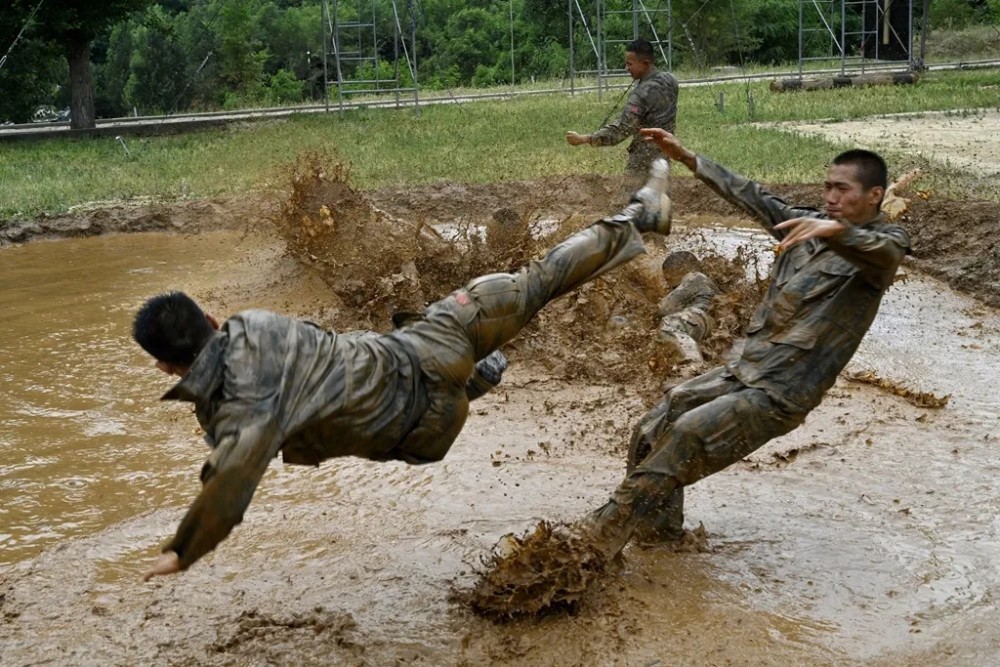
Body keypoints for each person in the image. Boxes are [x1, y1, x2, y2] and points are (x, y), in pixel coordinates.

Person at [134, 159, 673, 581]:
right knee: (533, 281)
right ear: (212, 318)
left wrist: (183, 550)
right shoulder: (255, 323)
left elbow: (232, 477)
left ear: (164, 366)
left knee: (348, 405)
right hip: (434, 341)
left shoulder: (229, 417)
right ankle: (639, 215)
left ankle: (475, 377)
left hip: (420, 427)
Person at [576, 128, 910, 558]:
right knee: (654, 425)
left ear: (874, 196)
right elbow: (749, 193)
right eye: (827, 186)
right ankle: (658, 539)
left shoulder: (881, 247)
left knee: (687, 434)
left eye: (841, 190)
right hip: (745, 371)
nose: (830, 197)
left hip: (780, 393)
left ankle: (591, 543)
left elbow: (881, 252)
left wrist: (833, 232)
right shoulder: (803, 225)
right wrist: (688, 158)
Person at [566, 39, 679, 194]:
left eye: (630, 64)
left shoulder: (640, 95)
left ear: (645, 63)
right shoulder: (671, 81)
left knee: (628, 202)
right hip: (665, 154)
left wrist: (585, 139)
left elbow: (621, 130)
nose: (626, 68)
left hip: (643, 159)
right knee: (660, 199)